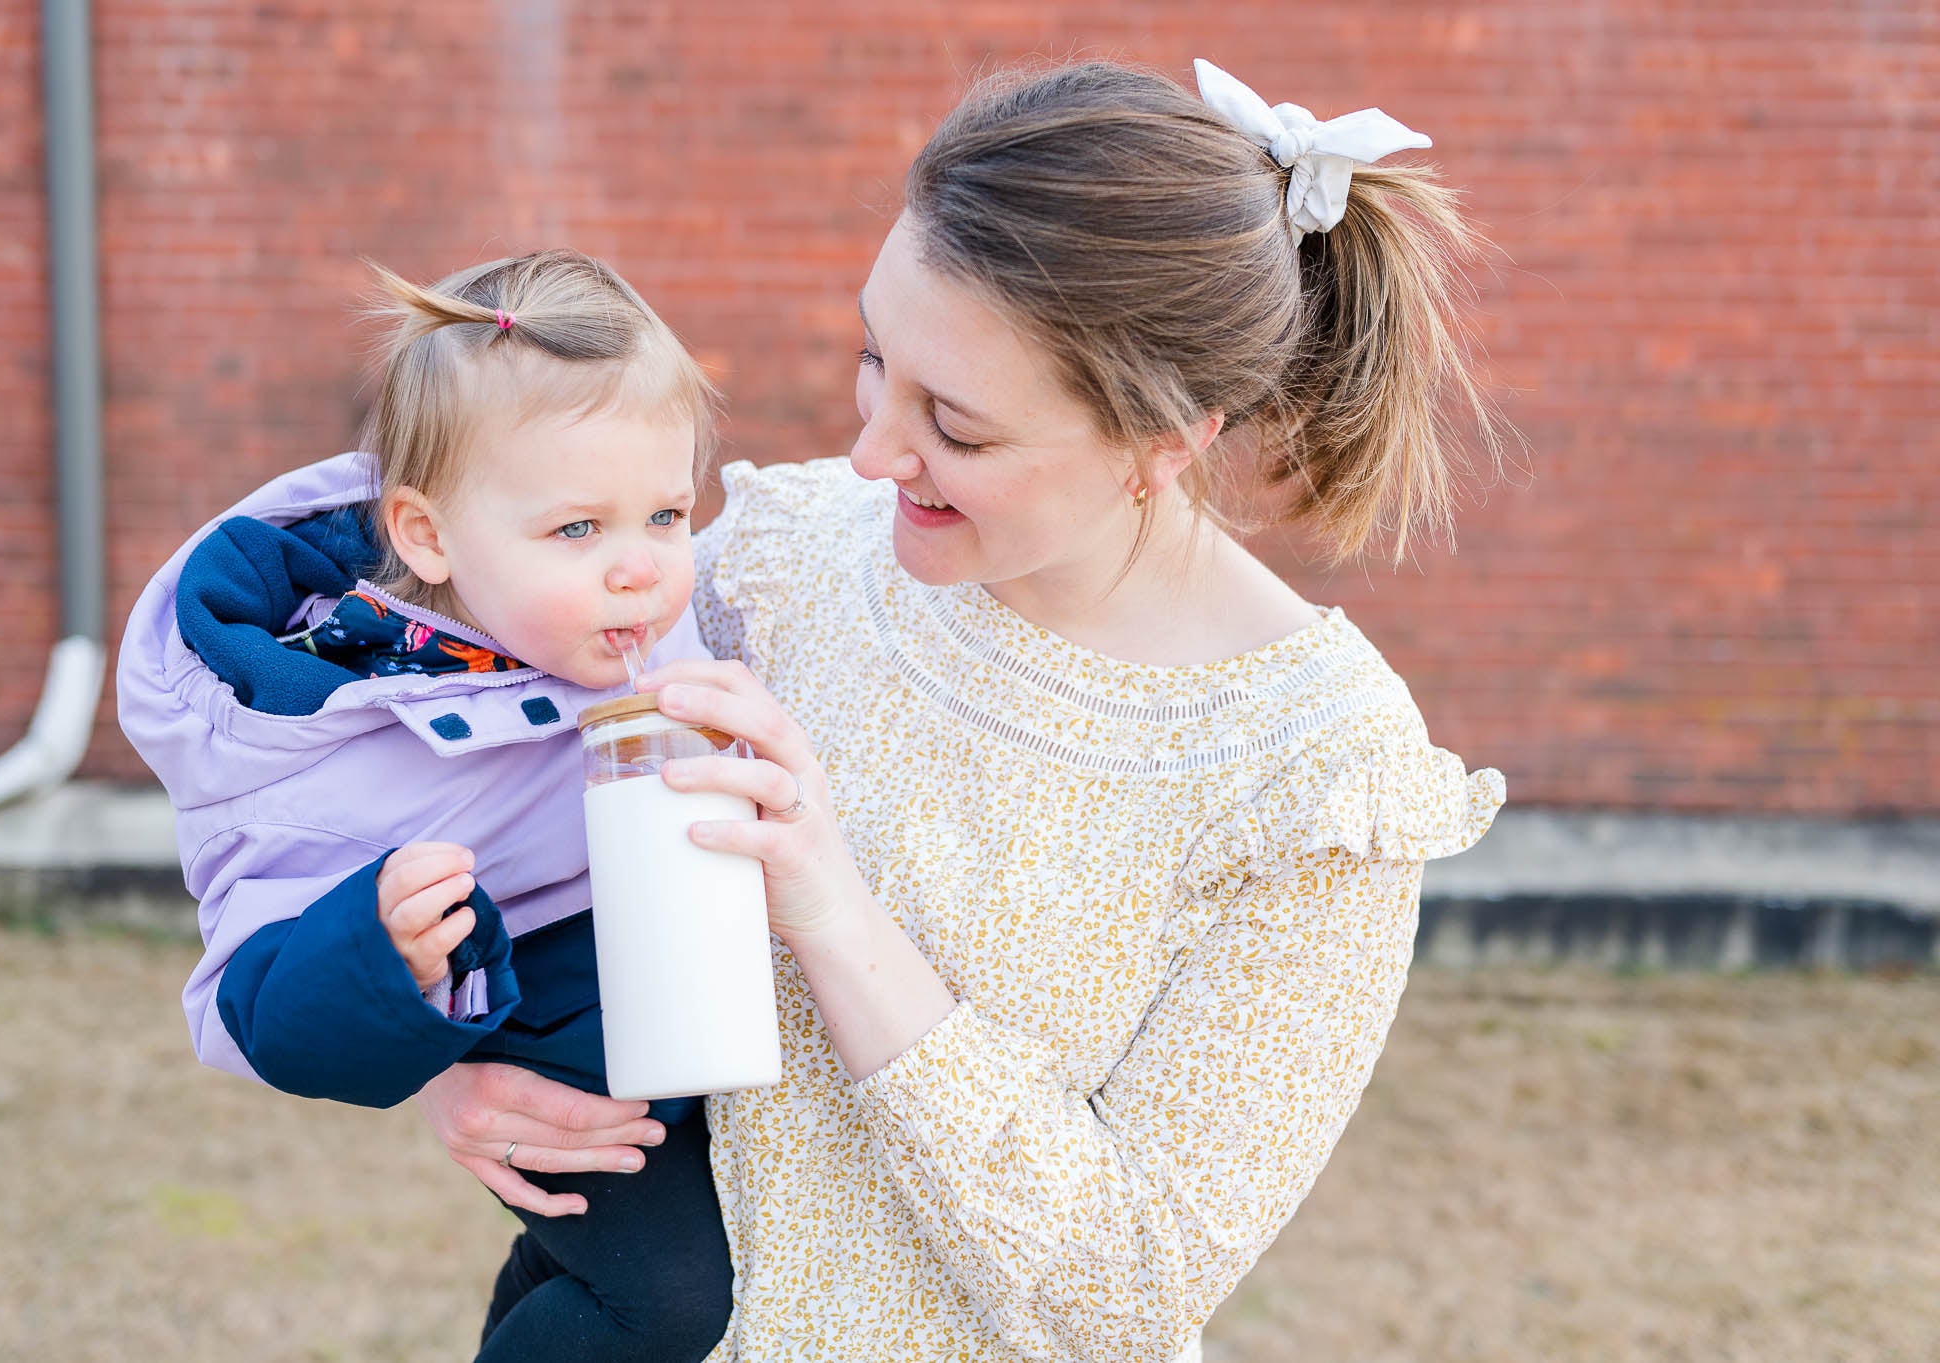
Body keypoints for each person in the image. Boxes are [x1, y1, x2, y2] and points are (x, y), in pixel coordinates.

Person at [423, 56, 1507, 1360]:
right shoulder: (792, 552)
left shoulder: (1318, 774)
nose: (874, 447)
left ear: (1166, 440)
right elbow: (476, 757)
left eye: (960, 425)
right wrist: (452, 1047)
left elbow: (1123, 1288)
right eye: (876, 355)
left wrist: (830, 906)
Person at [115, 250, 736, 1363]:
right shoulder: (337, 729)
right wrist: (379, 947)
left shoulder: (644, 625)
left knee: (601, 1274)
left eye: (665, 512)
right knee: (675, 1304)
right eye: (578, 530)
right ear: (429, 537)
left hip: (689, 1020)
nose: (640, 567)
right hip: (566, 1077)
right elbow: (255, 1002)